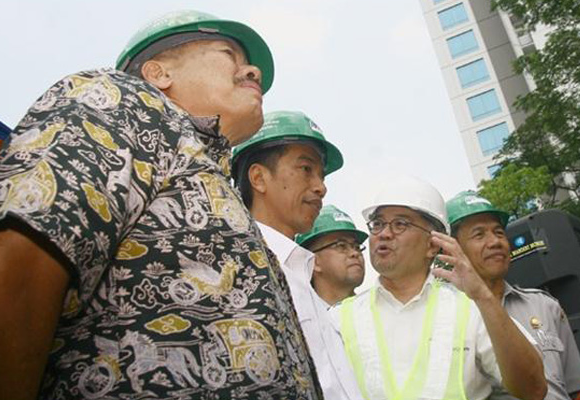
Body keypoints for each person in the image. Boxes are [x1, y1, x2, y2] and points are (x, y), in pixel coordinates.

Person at [0, 11, 324, 400]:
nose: (253, 73)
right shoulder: (119, 102)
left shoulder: (219, 189)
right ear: (159, 73)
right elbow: (11, 268)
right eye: (229, 54)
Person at [336, 174, 547, 400]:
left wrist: (483, 297)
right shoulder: (338, 318)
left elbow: (533, 389)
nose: (384, 234)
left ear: (432, 244)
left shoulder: (472, 309)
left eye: (400, 224)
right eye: (377, 224)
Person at [231, 110, 364, 400]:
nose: (321, 186)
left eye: (321, 174)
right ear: (259, 178)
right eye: (306, 169)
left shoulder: (300, 275)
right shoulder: (240, 272)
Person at [446, 190, 580, 400]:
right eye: (479, 234)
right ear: (452, 249)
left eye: (499, 232)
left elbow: (575, 388)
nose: (495, 242)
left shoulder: (545, 305)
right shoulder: (446, 318)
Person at [296, 204, 368, 306]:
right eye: (341, 246)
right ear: (314, 261)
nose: (355, 253)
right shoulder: (299, 317)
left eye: (356, 246)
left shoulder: (379, 309)